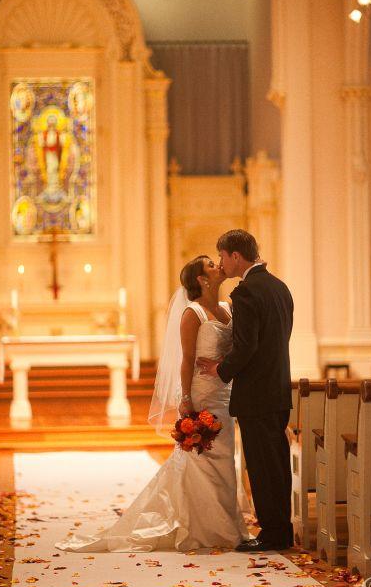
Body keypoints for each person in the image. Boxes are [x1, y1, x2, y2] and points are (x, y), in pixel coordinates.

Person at [55, 255, 251, 553]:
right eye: (210, 265)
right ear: (202, 279)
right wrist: (185, 398)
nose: (217, 266)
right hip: (202, 392)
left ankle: (225, 524)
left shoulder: (226, 308)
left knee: (225, 458)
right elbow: (186, 360)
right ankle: (205, 527)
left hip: (224, 392)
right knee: (202, 457)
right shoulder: (192, 313)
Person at [198, 229, 294, 552]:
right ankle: (281, 529)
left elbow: (246, 345)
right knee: (276, 463)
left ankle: (273, 534)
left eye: (222, 256)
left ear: (235, 256)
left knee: (263, 466)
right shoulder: (280, 288)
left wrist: (219, 369)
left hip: (256, 393)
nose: (221, 263)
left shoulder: (246, 292)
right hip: (278, 388)